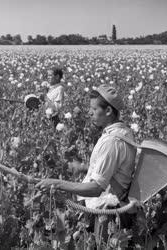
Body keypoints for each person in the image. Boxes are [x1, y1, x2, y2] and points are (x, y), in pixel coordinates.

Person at [35, 84, 137, 242]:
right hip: (107, 209)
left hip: (106, 214)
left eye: (94, 109)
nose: (89, 112)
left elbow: (96, 188)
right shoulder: (124, 132)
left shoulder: (112, 141)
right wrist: (84, 168)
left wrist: (56, 183)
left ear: (108, 111)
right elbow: (114, 170)